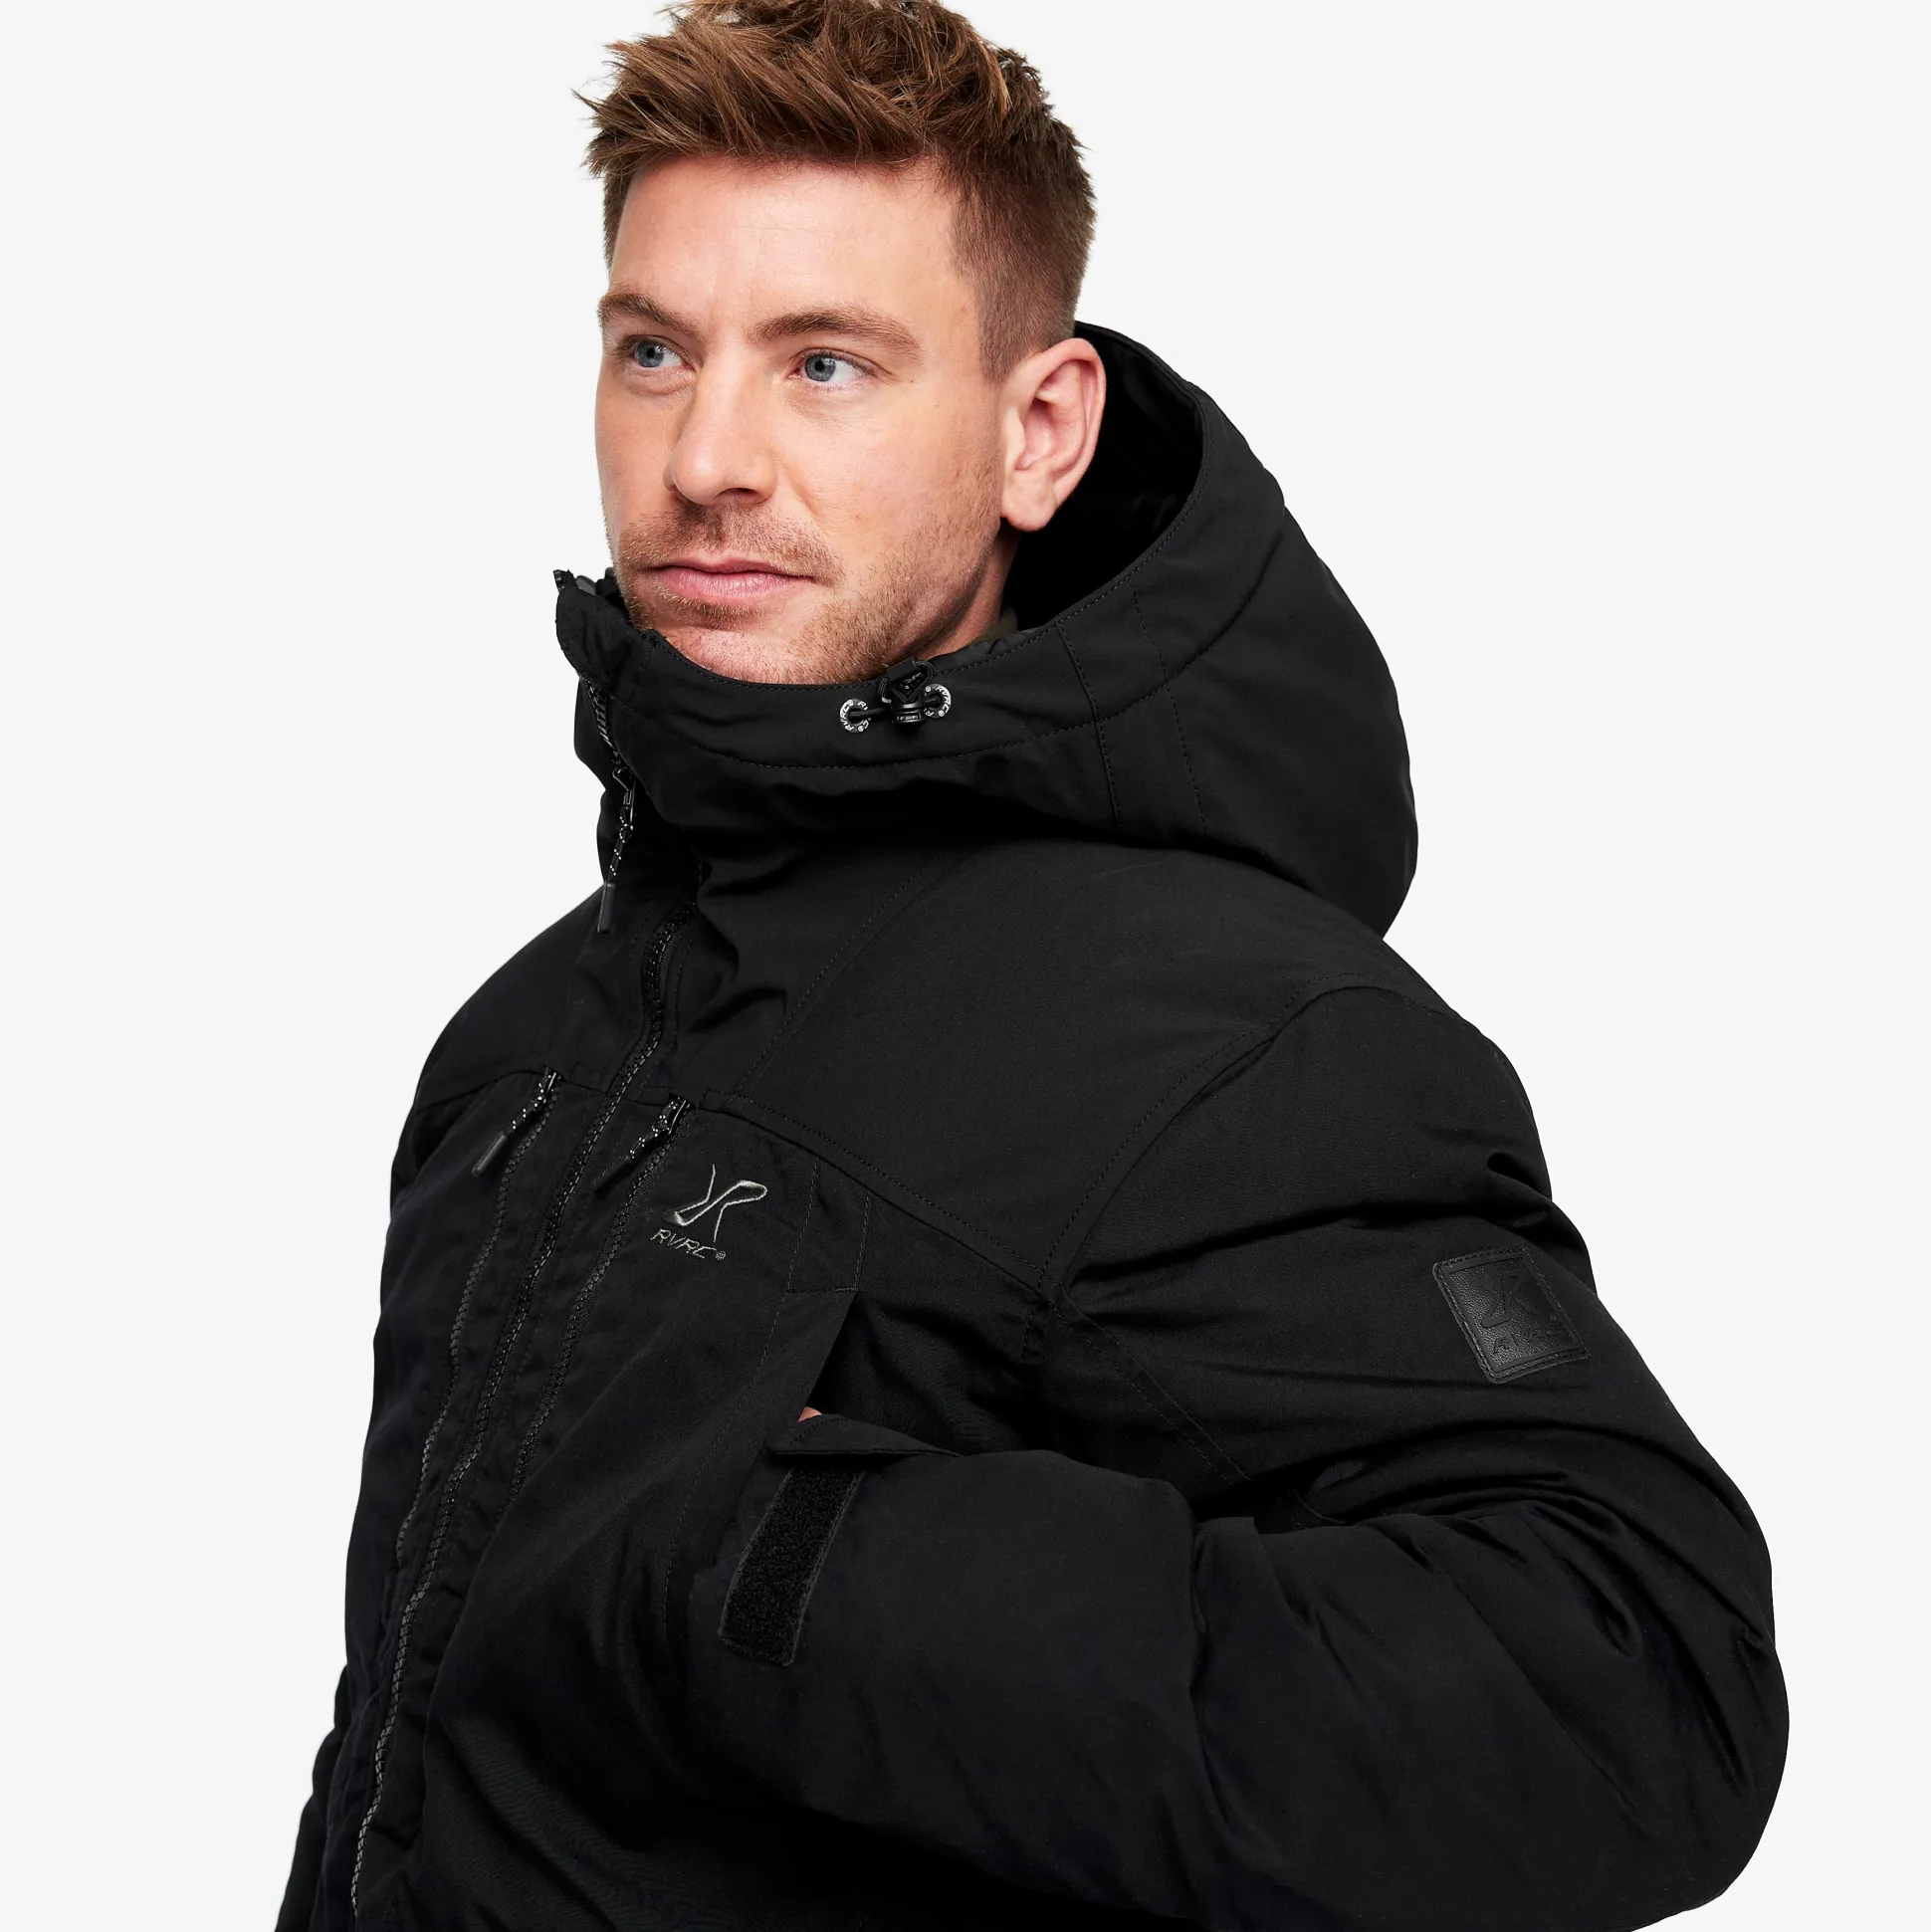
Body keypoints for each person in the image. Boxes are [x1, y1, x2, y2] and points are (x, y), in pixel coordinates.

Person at [278, 4, 1787, 1928]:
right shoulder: (527, 1035)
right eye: (654, 351)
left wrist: (776, 1567)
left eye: (826, 363)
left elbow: (1630, 1684)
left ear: (1039, 433)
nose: (707, 457)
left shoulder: (1239, 1035)